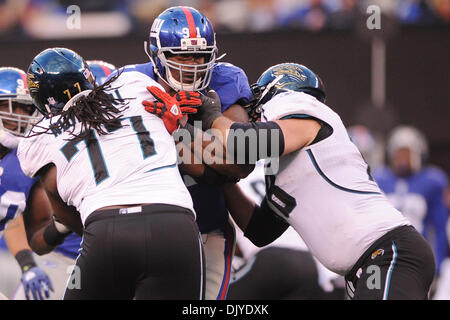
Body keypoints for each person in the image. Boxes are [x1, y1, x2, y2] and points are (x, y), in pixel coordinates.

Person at [147, 62, 436, 299]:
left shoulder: (301, 106)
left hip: (388, 254)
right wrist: (222, 178)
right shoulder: (290, 165)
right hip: (369, 265)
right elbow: (260, 230)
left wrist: (211, 115)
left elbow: (246, 142)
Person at [18, 47, 203, 300]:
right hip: (173, 223)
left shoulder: (37, 140)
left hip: (107, 230)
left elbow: (66, 210)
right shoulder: (134, 83)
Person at [112, 6, 253, 300]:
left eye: (201, 56)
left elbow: (242, 162)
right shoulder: (129, 82)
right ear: (156, 55)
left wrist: (182, 130)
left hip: (206, 227)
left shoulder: (226, 80)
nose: (193, 65)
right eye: (182, 55)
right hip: (142, 230)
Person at [0, 66, 54, 300]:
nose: (19, 116)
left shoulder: (23, 159)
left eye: (26, 108)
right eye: (10, 107)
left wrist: (26, 264)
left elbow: (13, 218)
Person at [373, 126, 448, 277]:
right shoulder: (379, 179)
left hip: (418, 256)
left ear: (419, 154)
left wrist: (437, 265)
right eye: (398, 154)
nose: (402, 160)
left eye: (407, 154)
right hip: (386, 256)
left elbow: (440, 228)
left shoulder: (432, 180)